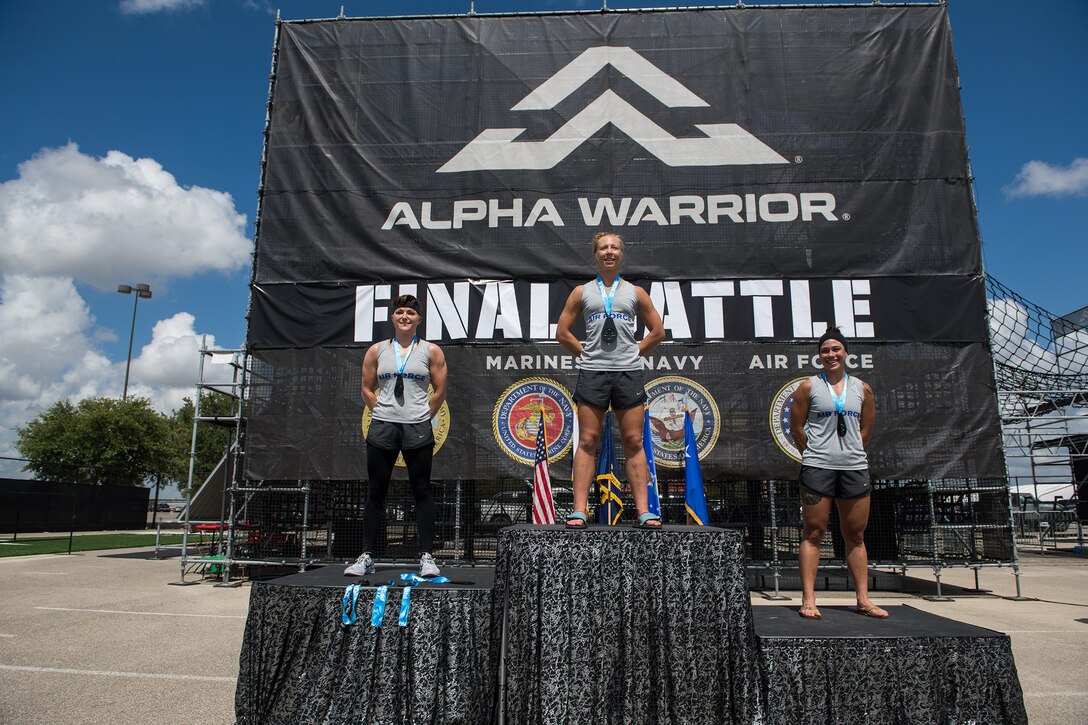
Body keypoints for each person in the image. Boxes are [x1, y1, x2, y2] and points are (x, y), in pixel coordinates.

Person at [556, 231, 666, 528]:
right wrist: (585, 353)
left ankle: (643, 511)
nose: (609, 252)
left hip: (628, 373)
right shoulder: (581, 292)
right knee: (588, 440)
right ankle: (580, 510)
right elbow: (562, 333)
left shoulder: (635, 292)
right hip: (592, 373)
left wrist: (634, 351)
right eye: (603, 248)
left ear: (621, 254)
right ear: (595, 255)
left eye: (614, 248)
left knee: (633, 440)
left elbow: (657, 331)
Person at [345, 294, 448, 577]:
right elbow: (366, 387)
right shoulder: (376, 350)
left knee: (422, 490)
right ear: (392, 318)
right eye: (400, 312)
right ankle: (366, 556)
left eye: (410, 313)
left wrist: (423, 415)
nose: (405, 316)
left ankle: (427, 557)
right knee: (376, 491)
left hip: (417, 426)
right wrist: (379, 408)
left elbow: (440, 391)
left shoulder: (432, 351)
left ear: (419, 320)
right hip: (383, 426)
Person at [789, 327, 886, 619]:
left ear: (845, 353)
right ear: (819, 356)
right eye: (825, 351)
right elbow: (796, 428)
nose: (831, 355)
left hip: (854, 467)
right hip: (818, 466)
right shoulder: (808, 387)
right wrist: (816, 452)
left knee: (855, 534)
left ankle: (863, 599)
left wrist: (850, 452)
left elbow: (865, 429)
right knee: (814, 532)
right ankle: (808, 599)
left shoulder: (862, 388)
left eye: (835, 349)